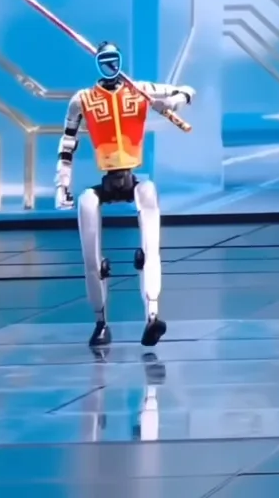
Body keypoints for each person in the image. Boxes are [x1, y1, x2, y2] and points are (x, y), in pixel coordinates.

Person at [54, 42, 196, 348]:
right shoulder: (83, 100)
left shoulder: (139, 89)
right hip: (104, 180)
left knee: (150, 236)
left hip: (133, 177)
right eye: (104, 60)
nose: (109, 65)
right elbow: (67, 143)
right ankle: (100, 321)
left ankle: (152, 315)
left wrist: (176, 101)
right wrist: (61, 183)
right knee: (90, 240)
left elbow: (186, 90)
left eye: (113, 60)